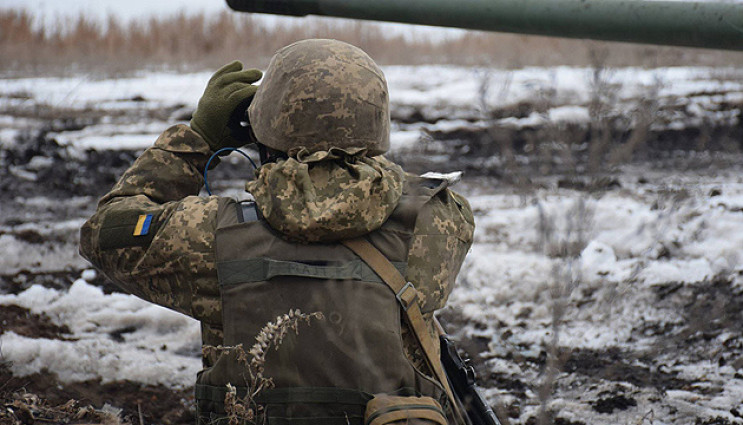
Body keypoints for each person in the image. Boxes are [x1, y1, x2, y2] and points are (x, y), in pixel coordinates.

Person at [79, 39, 474, 425]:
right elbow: (384, 179)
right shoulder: (439, 220)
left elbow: (103, 232)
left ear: (263, 127)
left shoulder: (209, 234)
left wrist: (197, 137)